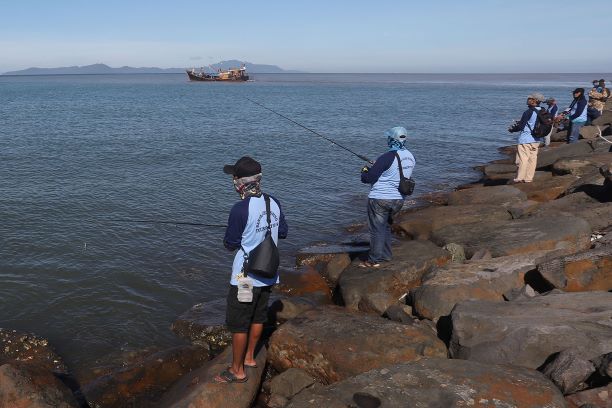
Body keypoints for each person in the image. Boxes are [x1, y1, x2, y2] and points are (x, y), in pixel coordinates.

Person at [215, 156, 288, 383]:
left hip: (245, 278)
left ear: (239, 181)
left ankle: (237, 371)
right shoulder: (273, 201)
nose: (233, 181)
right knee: (258, 316)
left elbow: (230, 244)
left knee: (239, 324)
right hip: (268, 273)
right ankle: (249, 358)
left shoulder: (240, 209)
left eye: (234, 177)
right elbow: (283, 232)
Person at [360, 126, 415, 267]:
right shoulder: (410, 156)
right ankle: (386, 255)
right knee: (385, 227)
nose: (387, 140)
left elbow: (368, 178)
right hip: (398, 200)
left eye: (388, 138)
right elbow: (396, 171)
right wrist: (379, 165)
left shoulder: (386, 157)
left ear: (392, 140)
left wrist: (365, 170)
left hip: (380, 199)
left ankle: (374, 261)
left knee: (376, 229)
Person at [508, 93, 545, 183]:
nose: (528, 99)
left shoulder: (528, 112)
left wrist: (512, 129)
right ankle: (528, 178)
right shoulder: (543, 110)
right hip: (536, 139)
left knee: (522, 159)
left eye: (530, 98)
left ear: (534, 100)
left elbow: (520, 127)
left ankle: (519, 178)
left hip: (525, 139)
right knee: (532, 160)